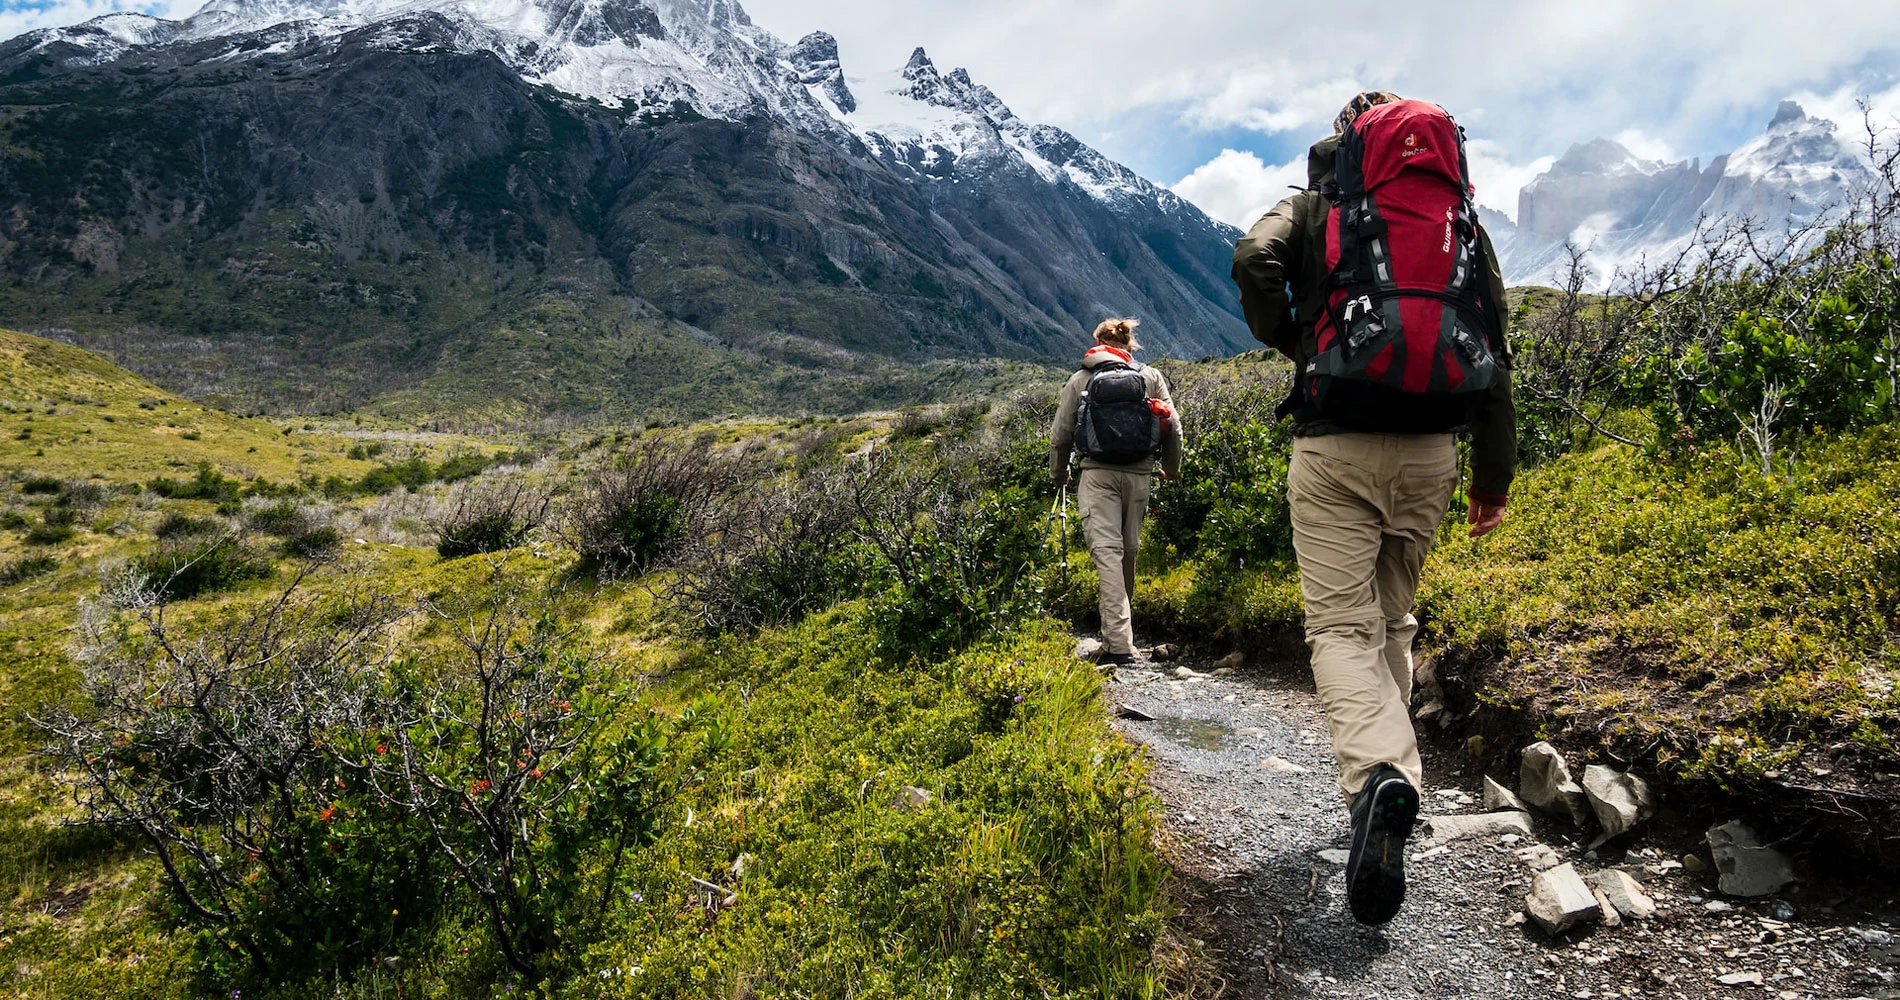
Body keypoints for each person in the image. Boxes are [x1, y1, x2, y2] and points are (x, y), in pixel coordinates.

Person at [1231, 91, 1518, 925]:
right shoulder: (1458, 221)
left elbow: (1253, 259)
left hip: (1336, 443)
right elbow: (1494, 342)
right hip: (1432, 451)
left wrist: (1291, 337)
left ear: (1349, 140)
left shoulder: (1320, 205)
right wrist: (1492, 478)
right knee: (1393, 620)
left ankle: (1377, 781)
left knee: (1339, 629)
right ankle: (1394, 783)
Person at [1049, 318, 1183, 668]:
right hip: (1139, 475)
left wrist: (1060, 473)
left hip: (1097, 475)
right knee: (1128, 552)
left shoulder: (1081, 379)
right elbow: (1173, 426)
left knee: (1107, 553)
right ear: (1129, 344)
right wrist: (1170, 468)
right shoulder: (1150, 377)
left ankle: (1119, 644)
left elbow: (1061, 434)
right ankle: (1120, 636)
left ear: (1097, 343)